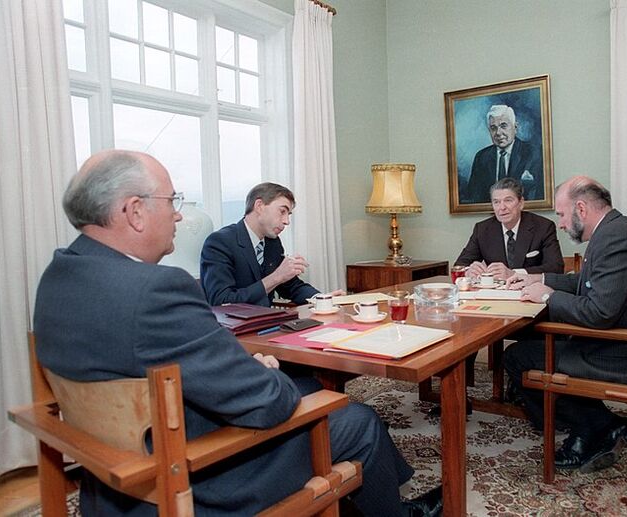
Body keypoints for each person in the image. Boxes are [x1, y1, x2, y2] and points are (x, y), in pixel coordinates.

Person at [33, 150, 442, 516]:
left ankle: (381, 490)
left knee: (304, 386)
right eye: (171, 201)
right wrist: (264, 373)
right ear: (134, 211)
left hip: (112, 476)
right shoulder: (158, 288)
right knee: (355, 416)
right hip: (192, 477)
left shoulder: (57, 276)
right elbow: (268, 403)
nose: (177, 214)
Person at [503, 176, 627, 473]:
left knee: (517, 356)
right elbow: (587, 283)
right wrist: (540, 279)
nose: (561, 224)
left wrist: (548, 297)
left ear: (581, 208)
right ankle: (601, 424)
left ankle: (595, 428)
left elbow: (598, 313)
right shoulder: (616, 229)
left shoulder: (614, 238)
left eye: (562, 214)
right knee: (534, 346)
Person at [201, 182, 341, 307]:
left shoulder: (272, 243)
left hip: (266, 326)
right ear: (259, 206)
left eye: (288, 214)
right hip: (233, 330)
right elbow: (221, 301)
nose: (286, 221)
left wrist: (322, 299)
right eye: (282, 212)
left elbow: (291, 286)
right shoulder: (219, 242)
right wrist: (276, 277)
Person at [456, 177, 564, 281]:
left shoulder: (543, 227)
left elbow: (556, 268)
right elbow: (459, 265)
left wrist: (515, 274)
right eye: (496, 202)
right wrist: (468, 271)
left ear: (521, 203)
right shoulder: (482, 229)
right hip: (496, 294)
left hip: (530, 291)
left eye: (508, 200)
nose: (502, 208)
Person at [465, 104, 543, 203]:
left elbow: (538, 195)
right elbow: (474, 196)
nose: (498, 132)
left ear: (515, 127)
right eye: (493, 128)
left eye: (503, 126)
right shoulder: (481, 157)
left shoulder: (533, 153)